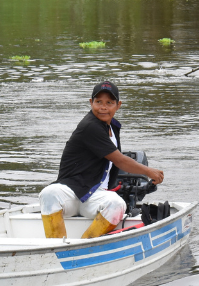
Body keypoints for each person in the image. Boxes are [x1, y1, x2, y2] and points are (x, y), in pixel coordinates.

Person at [39, 81, 165, 239]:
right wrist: (148, 171)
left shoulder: (112, 126)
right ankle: (56, 246)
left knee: (117, 204)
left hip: (94, 195)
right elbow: (120, 160)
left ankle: (85, 244)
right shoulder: (90, 126)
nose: (103, 107)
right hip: (71, 191)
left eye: (109, 103)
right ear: (91, 103)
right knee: (49, 193)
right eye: (98, 102)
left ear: (118, 105)